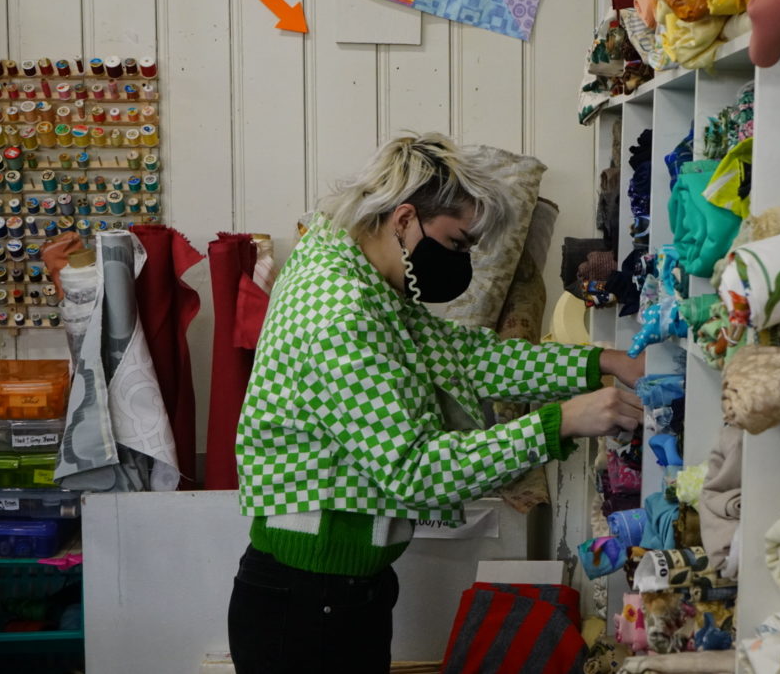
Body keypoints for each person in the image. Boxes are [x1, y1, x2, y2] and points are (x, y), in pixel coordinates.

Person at [227, 133, 646, 673]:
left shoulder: (365, 282)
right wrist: (561, 421)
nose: (460, 261)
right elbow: (415, 470)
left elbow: (471, 358)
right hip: (305, 605)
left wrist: (605, 362)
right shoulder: (339, 309)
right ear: (404, 219)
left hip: (345, 592)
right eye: (456, 243)